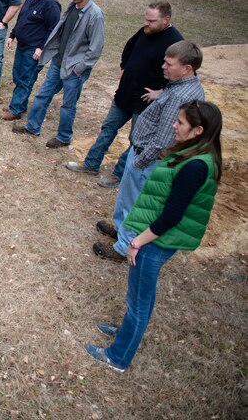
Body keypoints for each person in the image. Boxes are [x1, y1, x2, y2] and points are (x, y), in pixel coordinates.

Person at [85, 100, 222, 372]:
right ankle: (125, 331)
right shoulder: (194, 154)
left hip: (155, 242)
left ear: (198, 130)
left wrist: (137, 242)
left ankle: (118, 357)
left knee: (139, 302)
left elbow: (172, 215)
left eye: (180, 122)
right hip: (155, 239)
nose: (174, 125)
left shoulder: (195, 165)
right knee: (137, 297)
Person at [93, 41, 206, 262]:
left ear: (187, 69)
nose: (163, 66)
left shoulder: (181, 97)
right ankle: (121, 230)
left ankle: (123, 247)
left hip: (147, 158)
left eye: (169, 63)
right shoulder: (179, 87)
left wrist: (139, 161)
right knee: (128, 198)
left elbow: (164, 139)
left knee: (136, 204)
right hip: (143, 154)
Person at [66, 2, 184, 186]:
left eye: (152, 20)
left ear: (166, 20)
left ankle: (119, 174)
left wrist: (161, 93)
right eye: (146, 18)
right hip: (124, 94)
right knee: (108, 128)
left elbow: (182, 76)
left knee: (136, 140)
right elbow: (129, 47)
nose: (147, 23)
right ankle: (91, 164)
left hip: (145, 103)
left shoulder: (176, 43)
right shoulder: (145, 31)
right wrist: (124, 67)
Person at [12, 0, 105, 148]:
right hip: (58, 63)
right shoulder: (72, 8)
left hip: (73, 69)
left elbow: (95, 49)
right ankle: (32, 127)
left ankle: (64, 137)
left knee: (67, 105)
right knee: (42, 95)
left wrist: (79, 68)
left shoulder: (95, 15)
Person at [2, 0, 60, 120]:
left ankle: (15, 110)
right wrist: (12, 35)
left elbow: (52, 30)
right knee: (18, 76)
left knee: (26, 79)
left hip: (33, 50)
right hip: (22, 46)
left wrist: (41, 48)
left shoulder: (51, 5)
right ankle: (19, 104)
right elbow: (22, 19)